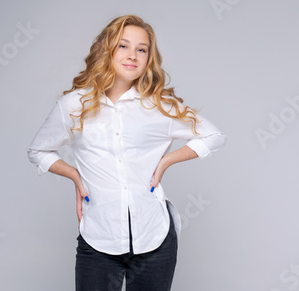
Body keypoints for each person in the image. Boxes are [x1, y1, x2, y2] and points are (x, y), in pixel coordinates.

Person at [27, 14, 226, 291]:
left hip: (155, 236)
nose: (132, 55)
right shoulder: (73, 105)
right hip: (98, 235)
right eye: (123, 46)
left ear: (148, 58)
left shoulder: (160, 106)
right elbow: (38, 150)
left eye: (141, 49)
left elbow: (214, 135)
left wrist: (167, 160)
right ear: (106, 49)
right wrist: (74, 175)